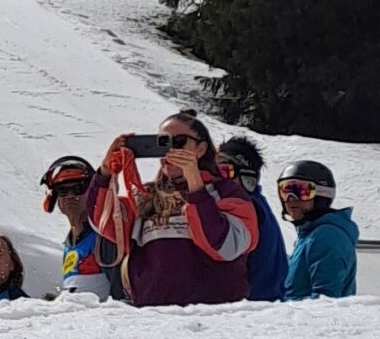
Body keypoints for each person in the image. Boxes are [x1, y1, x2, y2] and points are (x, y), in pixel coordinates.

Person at [90, 112, 259, 307]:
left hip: (215, 317)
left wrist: (196, 187)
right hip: (155, 315)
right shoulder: (147, 196)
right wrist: (105, 172)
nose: (169, 152)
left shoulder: (228, 192)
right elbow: (102, 221)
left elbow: (225, 247)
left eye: (178, 142)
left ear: (201, 148)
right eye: (161, 143)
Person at [218, 135, 289, 303]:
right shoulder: (256, 204)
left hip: (252, 307)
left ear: (247, 178)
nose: (216, 179)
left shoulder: (246, 210)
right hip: (263, 303)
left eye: (224, 171)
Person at [278, 161, 358, 300]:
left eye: (301, 191)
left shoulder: (326, 237)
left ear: (322, 195)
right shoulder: (309, 235)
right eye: (285, 190)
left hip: (308, 321)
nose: (291, 199)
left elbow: (325, 302)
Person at [42, 154, 115, 300]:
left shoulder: (104, 235)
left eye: (78, 188)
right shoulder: (69, 243)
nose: (70, 196)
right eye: (62, 190)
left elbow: (121, 289)